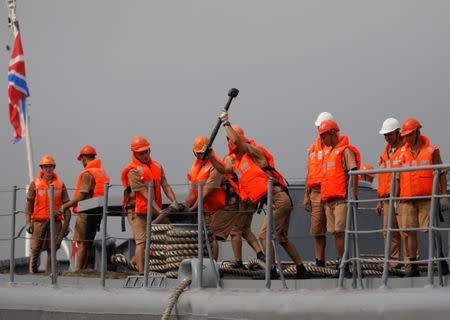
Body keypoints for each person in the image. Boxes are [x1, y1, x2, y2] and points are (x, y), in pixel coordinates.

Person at [206, 109, 312, 279]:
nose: (229, 143)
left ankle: (272, 271)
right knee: (282, 238)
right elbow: (224, 169)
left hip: (279, 199)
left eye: (230, 139)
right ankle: (301, 269)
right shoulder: (236, 162)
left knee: (264, 235)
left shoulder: (254, 152)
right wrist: (210, 156)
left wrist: (226, 122)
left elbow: (237, 142)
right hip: (273, 201)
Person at [397, 118, 449, 276]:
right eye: (405, 136)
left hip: (427, 198)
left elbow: (441, 173)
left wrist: (443, 195)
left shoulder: (432, 151)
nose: (406, 139)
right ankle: (413, 266)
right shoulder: (402, 154)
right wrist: (395, 199)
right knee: (409, 232)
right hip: (407, 199)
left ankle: (441, 260)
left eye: (409, 135)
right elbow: (397, 177)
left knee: (431, 230)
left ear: (418, 132)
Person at [121, 135, 179, 274]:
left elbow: (165, 184)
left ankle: (135, 264)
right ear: (134, 153)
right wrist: (160, 210)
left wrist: (174, 201)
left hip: (153, 210)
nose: (145, 155)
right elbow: (144, 194)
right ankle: (142, 274)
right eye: (141, 153)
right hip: (137, 211)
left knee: (169, 232)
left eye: (147, 151)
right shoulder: (132, 171)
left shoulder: (157, 166)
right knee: (141, 242)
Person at [185, 135, 237, 260]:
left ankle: (213, 264)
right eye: (197, 153)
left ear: (208, 151)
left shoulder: (216, 166)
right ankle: (204, 263)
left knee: (211, 236)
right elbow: (193, 191)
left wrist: (192, 209)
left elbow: (207, 192)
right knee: (204, 236)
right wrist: (184, 206)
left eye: (202, 153)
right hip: (205, 209)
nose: (199, 156)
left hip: (219, 208)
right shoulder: (195, 165)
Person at [319, 120, 360, 278]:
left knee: (340, 232)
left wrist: (352, 195)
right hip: (328, 201)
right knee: (335, 233)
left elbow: (353, 172)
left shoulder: (345, 151)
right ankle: (339, 263)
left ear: (331, 133)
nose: (322, 140)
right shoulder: (329, 153)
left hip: (341, 200)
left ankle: (344, 264)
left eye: (323, 136)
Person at [60, 145, 110, 271]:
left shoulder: (87, 174)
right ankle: (82, 270)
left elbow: (81, 196)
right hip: (97, 212)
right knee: (88, 243)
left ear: (83, 158)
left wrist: (65, 206)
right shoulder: (100, 172)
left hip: (86, 212)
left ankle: (78, 271)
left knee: (81, 243)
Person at [225, 125, 266, 266]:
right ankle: (260, 254)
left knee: (235, 230)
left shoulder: (234, 157)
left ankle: (238, 262)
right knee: (245, 229)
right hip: (252, 198)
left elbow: (228, 171)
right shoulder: (250, 152)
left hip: (242, 199)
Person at [26, 155, 71, 273]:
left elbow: (67, 207)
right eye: (45, 167)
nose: (48, 169)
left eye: (50, 167)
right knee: (35, 250)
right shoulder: (34, 184)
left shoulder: (61, 185)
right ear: (41, 168)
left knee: (52, 250)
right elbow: (29, 205)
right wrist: (27, 222)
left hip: (55, 223)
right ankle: (32, 275)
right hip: (38, 222)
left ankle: (49, 276)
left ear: (54, 168)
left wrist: (65, 226)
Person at [375, 118, 406, 269]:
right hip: (387, 198)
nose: (387, 137)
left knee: (406, 231)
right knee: (389, 233)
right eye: (385, 135)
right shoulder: (385, 153)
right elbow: (382, 179)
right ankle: (394, 264)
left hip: (402, 198)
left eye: (389, 134)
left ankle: (410, 263)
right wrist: (379, 200)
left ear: (397, 133)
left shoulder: (406, 150)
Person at [303, 112, 333, 268]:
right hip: (315, 193)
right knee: (317, 231)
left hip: (332, 193)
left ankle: (343, 263)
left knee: (337, 229)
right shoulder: (312, 149)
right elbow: (309, 173)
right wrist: (306, 195)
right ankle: (319, 262)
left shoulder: (336, 147)